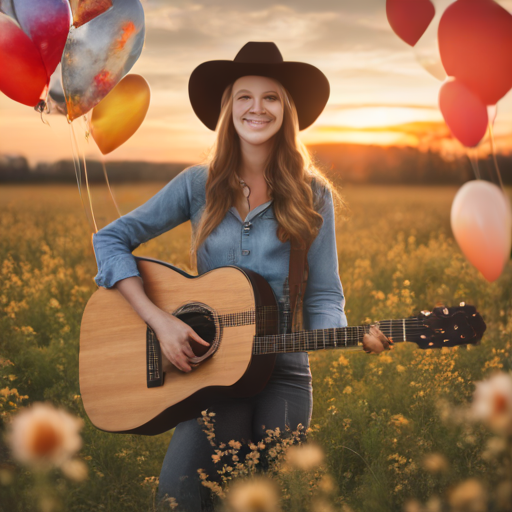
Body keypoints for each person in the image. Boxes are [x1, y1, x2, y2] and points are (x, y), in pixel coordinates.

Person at [91, 41, 391, 511]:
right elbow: (109, 240)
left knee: (276, 499)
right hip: (209, 370)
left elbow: (325, 292)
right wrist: (159, 321)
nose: (257, 108)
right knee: (179, 499)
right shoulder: (197, 184)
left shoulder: (314, 195)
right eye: (244, 97)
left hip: (285, 369)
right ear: (228, 109)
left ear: (286, 111)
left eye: (270, 97)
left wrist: (345, 333)